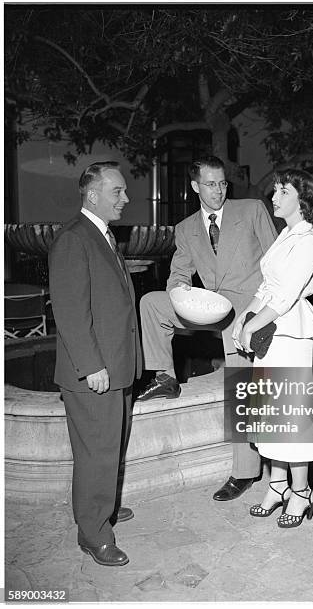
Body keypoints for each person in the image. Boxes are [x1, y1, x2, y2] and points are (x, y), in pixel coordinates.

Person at [138, 155, 277, 501]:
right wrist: (180, 291)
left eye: (222, 184)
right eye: (210, 184)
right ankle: (164, 377)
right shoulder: (185, 229)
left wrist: (261, 314)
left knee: (241, 386)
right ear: (195, 186)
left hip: (246, 310)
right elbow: (178, 274)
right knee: (152, 303)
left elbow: (277, 263)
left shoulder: (251, 210)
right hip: (209, 307)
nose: (218, 191)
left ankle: (245, 473)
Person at [48, 161, 142, 566]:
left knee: (109, 447)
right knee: (96, 452)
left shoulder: (100, 236)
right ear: (93, 194)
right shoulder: (74, 238)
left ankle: (100, 505)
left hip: (115, 366)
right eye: (117, 191)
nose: (125, 198)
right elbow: (69, 311)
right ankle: (94, 533)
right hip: (94, 372)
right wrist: (92, 366)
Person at [232, 168, 313, 528]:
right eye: (275, 191)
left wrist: (253, 324)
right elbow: (267, 286)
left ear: (302, 199)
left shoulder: (309, 241)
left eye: (282, 191)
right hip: (269, 331)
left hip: (289, 333)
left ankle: (302, 494)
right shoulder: (286, 235)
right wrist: (243, 318)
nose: (274, 197)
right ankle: (276, 486)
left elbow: (287, 295)